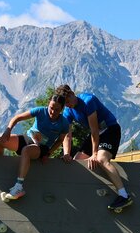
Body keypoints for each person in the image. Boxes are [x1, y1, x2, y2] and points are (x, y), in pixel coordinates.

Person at [54, 84, 131, 212]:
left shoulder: (88, 101)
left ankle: (124, 195)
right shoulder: (68, 110)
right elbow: (67, 134)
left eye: (68, 101)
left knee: (100, 159)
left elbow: (94, 130)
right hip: (96, 133)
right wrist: (66, 153)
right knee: (77, 161)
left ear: (73, 94)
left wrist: (94, 153)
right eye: (65, 104)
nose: (67, 105)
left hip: (110, 130)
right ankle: (86, 194)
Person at [0, 94, 71, 202]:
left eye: (57, 110)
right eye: (51, 108)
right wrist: (8, 130)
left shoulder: (64, 123)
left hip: (41, 147)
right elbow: (17, 118)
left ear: (62, 109)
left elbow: (60, 141)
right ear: (48, 104)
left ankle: (19, 187)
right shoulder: (40, 111)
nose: (53, 112)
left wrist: (48, 153)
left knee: (26, 151)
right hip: (27, 138)